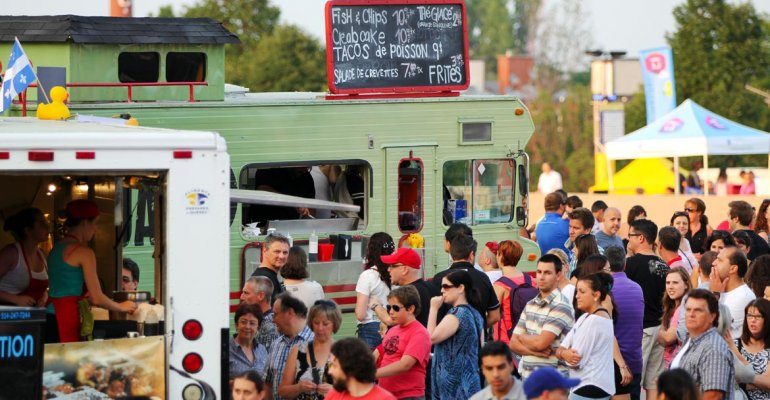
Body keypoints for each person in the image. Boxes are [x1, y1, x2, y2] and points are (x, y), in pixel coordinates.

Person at [47, 200, 136, 343]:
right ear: (84, 223)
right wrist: (121, 307)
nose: (95, 229)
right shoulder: (84, 252)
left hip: (50, 316)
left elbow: (63, 286)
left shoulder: (56, 249)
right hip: (66, 318)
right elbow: (97, 298)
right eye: (95, 223)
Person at [509, 254, 575, 379]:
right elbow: (513, 343)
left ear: (558, 275)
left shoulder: (561, 305)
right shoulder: (530, 304)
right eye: (539, 272)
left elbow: (541, 343)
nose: (541, 277)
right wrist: (533, 351)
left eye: (547, 273)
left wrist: (522, 337)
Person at [624, 219, 668, 400]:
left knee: (632, 378)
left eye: (630, 236)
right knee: (654, 380)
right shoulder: (664, 265)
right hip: (660, 328)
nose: (628, 240)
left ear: (641, 238)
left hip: (641, 329)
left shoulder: (631, 264)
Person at [555, 273, 616, 400]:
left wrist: (562, 353)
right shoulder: (585, 317)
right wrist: (563, 353)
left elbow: (575, 361)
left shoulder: (594, 321)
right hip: (594, 386)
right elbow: (562, 348)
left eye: (582, 292)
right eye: (577, 291)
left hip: (588, 387)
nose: (577, 296)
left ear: (596, 295)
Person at [428, 270, 485, 400]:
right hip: (470, 381)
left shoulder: (457, 314)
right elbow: (480, 346)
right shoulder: (475, 313)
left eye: (446, 286)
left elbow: (430, 338)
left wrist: (433, 309)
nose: (442, 290)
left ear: (460, 288)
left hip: (454, 387)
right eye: (441, 286)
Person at [670, 289, 735, 400]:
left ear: (712, 316)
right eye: (688, 309)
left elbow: (713, 396)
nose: (691, 314)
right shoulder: (689, 339)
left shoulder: (713, 348)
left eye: (698, 310)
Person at [373, 286, 431, 399]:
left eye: (395, 308)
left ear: (410, 309)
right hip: (387, 394)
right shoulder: (393, 330)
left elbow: (405, 364)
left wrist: (372, 374)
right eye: (389, 307)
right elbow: (379, 352)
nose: (390, 312)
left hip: (408, 395)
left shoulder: (420, 333)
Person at [432, 233, 501, 327]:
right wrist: (478, 329)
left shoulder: (438, 278)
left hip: (445, 338)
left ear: (452, 254)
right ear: (471, 255)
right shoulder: (482, 277)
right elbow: (495, 316)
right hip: (477, 339)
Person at [278, 300, 341, 400]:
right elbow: (282, 391)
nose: (320, 328)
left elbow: (357, 391)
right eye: (316, 323)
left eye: (325, 324)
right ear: (311, 323)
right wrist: (299, 388)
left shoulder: (344, 352)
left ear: (334, 324)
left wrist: (335, 392)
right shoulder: (297, 350)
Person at [606, 246, 644, 400]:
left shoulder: (605, 291)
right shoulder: (637, 288)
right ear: (625, 264)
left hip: (612, 364)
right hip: (634, 360)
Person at [373, 247, 438, 328]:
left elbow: (391, 321)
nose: (388, 269)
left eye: (392, 266)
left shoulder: (405, 294)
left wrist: (375, 305)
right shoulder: (433, 288)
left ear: (404, 270)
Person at [265, 293, 314, 400]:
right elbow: (268, 383)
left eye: (275, 314)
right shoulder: (276, 344)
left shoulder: (315, 343)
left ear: (290, 313)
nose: (273, 320)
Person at [0, 207, 49, 306]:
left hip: (31, 317)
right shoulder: (11, 253)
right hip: (7, 316)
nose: (47, 227)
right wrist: (15, 299)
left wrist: (43, 298)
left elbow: (43, 290)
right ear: (28, 230)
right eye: (41, 223)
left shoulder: (41, 254)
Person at [355, 232, 394, 349]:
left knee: (370, 366)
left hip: (369, 329)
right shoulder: (396, 273)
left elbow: (360, 315)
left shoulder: (367, 275)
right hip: (392, 327)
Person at [325, 337, 396, 400]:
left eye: (334, 366)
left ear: (350, 369)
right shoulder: (333, 395)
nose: (330, 371)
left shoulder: (384, 398)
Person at [493, 239, 535, 344]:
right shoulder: (531, 281)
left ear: (500, 255)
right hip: (529, 335)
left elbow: (494, 315)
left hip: (507, 339)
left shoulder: (499, 285)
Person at [711, 246, 756, 339]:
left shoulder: (743, 297)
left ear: (733, 269)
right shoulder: (722, 290)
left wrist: (714, 294)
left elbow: (713, 328)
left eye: (719, 260)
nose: (713, 263)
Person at [730, 298, 770, 400]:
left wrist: (744, 381)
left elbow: (768, 384)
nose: (753, 320)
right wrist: (760, 381)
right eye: (749, 315)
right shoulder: (734, 345)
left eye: (758, 316)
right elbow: (729, 380)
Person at [658, 269, 692, 369]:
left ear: (686, 285)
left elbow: (668, 338)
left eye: (675, 283)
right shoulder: (671, 307)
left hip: (680, 365)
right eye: (668, 283)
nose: (670, 287)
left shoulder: (684, 307)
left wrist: (659, 332)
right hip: (670, 364)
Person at [230, 303, 268, 379]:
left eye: (252, 323)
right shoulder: (226, 349)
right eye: (243, 322)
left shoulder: (262, 350)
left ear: (258, 327)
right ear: (236, 325)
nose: (247, 327)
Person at [241, 276, 279, 352]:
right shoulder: (258, 320)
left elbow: (265, 361)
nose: (241, 297)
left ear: (261, 296)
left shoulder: (270, 327)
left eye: (246, 293)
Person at [251, 233, 290, 303]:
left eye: (285, 252)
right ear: (265, 251)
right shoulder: (265, 280)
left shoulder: (266, 276)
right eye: (277, 251)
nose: (281, 256)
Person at [566, 208, 596, 277]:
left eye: (576, 228)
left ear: (587, 230)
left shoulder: (595, 254)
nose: (571, 231)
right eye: (570, 227)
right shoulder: (572, 247)